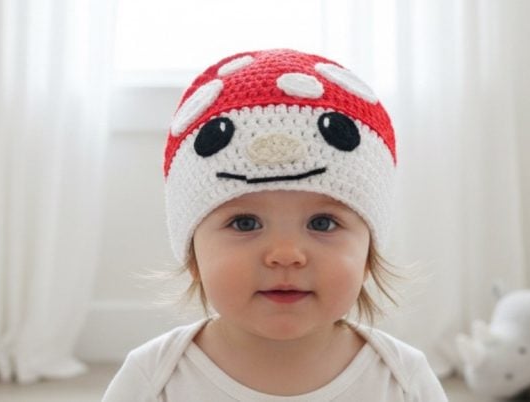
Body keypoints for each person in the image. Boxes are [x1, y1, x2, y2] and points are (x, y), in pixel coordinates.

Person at [101, 49, 448, 402]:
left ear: (368, 251)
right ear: (192, 252)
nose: (286, 254)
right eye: (245, 222)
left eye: (323, 223)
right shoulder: (154, 378)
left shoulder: (401, 378)